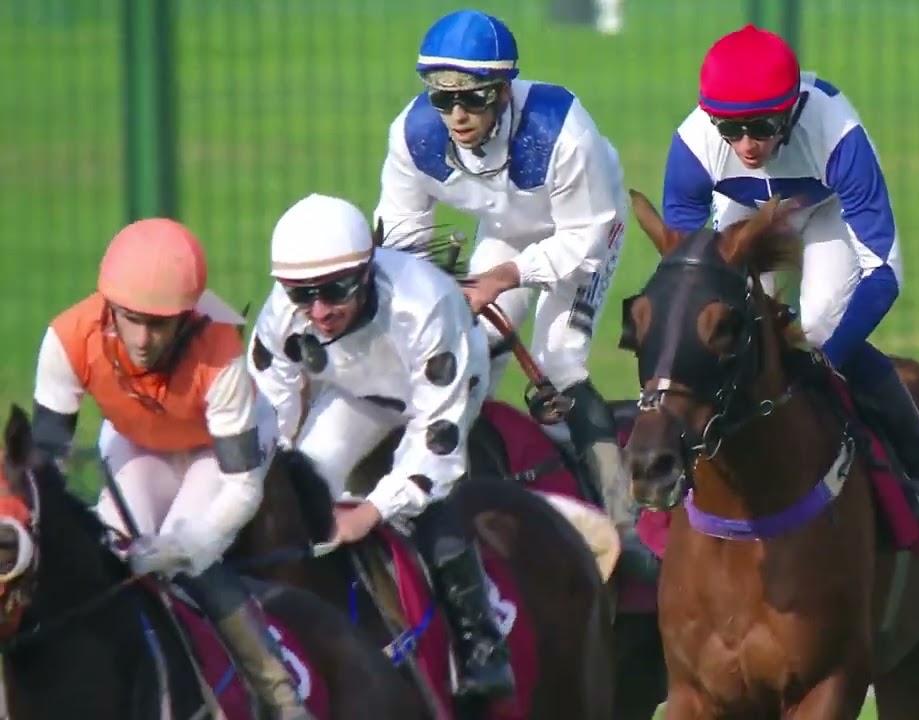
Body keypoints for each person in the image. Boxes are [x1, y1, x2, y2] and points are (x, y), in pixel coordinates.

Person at [372, 10, 656, 578]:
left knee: (560, 359)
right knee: (468, 348)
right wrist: (435, 291)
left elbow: (588, 238)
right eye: (442, 100)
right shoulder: (412, 135)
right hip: (508, 229)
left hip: (584, 227)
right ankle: (452, 496)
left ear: (503, 91)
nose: (456, 116)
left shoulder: (561, 130)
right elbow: (398, 239)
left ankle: (629, 530)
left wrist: (502, 278)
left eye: (473, 100)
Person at [660, 24, 919, 519]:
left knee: (819, 328)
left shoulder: (837, 134)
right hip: (744, 209)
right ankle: (685, 466)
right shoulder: (693, 146)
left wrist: (828, 358)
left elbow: (884, 272)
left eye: (761, 126)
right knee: (722, 325)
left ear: (792, 110)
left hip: (825, 210)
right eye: (729, 129)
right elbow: (686, 271)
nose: (746, 145)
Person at [29, 218, 315, 719]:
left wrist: (188, 546)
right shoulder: (67, 338)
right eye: (129, 319)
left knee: (184, 564)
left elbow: (242, 487)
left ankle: (281, 697)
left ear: (187, 318)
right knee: (112, 556)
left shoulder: (220, 352)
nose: (141, 340)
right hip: (140, 442)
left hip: (217, 454)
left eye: (158, 324)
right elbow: (45, 467)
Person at [246, 192, 514, 700]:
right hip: (360, 395)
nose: (319, 312)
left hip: (440, 391)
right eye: (302, 295)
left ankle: (481, 642)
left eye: (335, 290)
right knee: (304, 481)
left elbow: (437, 443)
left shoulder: (425, 305)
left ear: (367, 270)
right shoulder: (284, 312)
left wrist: (370, 511)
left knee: (426, 502)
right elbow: (266, 420)